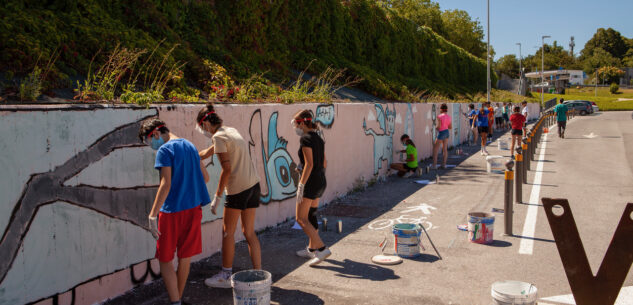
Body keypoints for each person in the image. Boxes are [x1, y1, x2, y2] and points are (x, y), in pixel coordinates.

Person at [139, 118, 211, 305]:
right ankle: (177, 299)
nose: (151, 145)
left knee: (165, 260)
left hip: (171, 212)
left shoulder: (165, 150)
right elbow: (206, 177)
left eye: (149, 140)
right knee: (184, 257)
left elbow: (166, 184)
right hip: (193, 209)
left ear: (155, 133)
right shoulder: (190, 146)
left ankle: (175, 301)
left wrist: (152, 215)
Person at [197, 104, 262, 288]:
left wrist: (217, 197)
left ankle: (225, 276)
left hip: (237, 189)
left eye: (202, 127)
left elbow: (226, 170)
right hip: (253, 185)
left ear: (207, 123)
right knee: (249, 232)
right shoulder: (230, 131)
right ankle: (259, 273)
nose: (203, 131)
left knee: (227, 233)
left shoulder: (218, 137)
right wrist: (192, 154)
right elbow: (207, 153)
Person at [292, 110, 331, 266]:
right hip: (320, 180)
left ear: (302, 123)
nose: (295, 126)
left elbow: (310, 164)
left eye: (296, 123)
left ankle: (321, 249)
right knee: (311, 215)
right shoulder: (318, 138)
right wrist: (317, 176)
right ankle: (311, 249)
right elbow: (324, 162)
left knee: (300, 218)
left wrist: (301, 184)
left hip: (310, 183)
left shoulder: (305, 138)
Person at [433, 103, 452, 169]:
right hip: (447, 132)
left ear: (441, 109)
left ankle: (434, 165)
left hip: (441, 132)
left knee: (435, 149)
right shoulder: (449, 116)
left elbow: (439, 126)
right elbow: (450, 127)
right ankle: (444, 164)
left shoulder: (439, 116)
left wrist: (435, 128)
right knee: (445, 149)